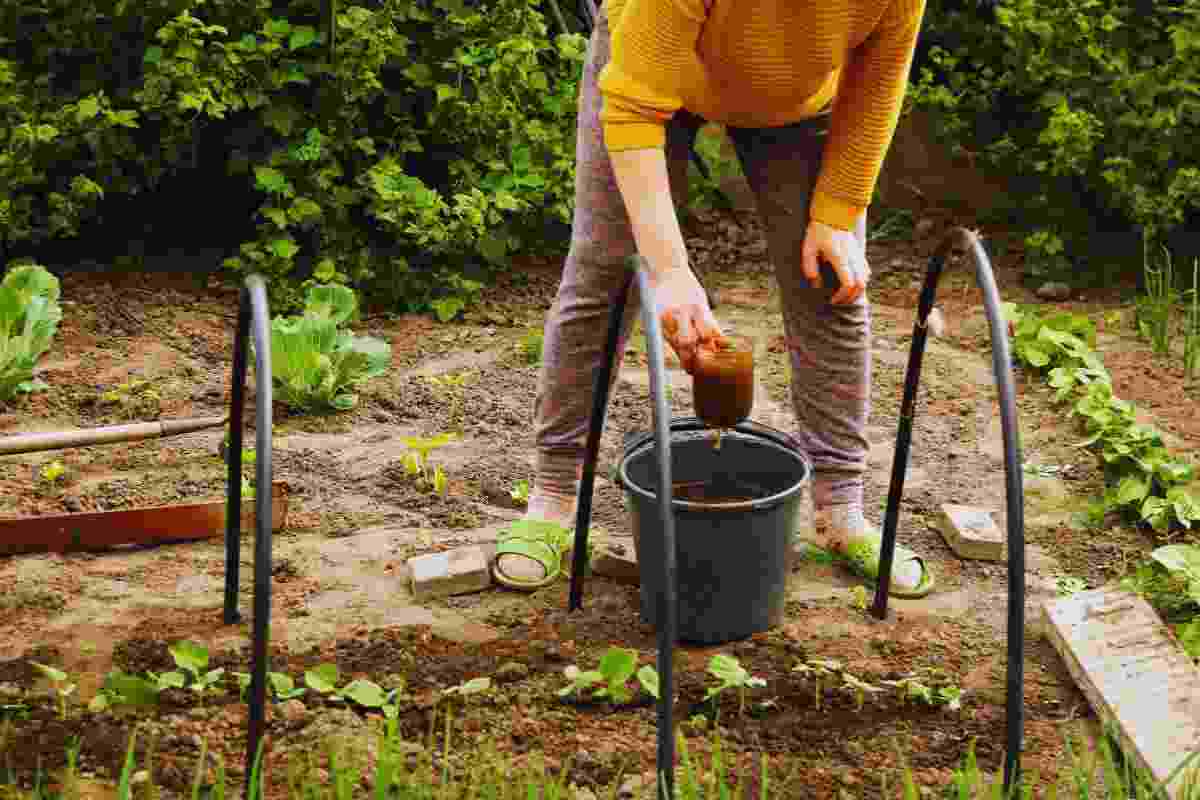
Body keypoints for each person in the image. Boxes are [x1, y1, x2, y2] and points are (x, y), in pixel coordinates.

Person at [491, 0, 935, 598]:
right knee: (606, 272)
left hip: (797, 102)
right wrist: (669, 270)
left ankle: (840, 508)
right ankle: (553, 499)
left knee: (833, 280)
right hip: (649, 76)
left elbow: (881, 75)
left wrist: (837, 209)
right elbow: (631, 107)